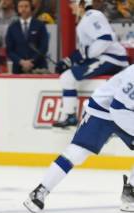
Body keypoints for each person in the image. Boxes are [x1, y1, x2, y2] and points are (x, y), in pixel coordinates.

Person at [24, 64, 134, 213]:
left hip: (125, 110)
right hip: (102, 110)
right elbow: (118, 109)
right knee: (77, 153)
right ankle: (40, 191)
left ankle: (130, 194)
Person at [53, 0, 128, 128]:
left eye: (73, 2)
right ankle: (70, 115)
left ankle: (70, 116)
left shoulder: (92, 15)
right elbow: (88, 49)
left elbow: (105, 39)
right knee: (67, 78)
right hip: (109, 58)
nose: (70, 6)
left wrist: (84, 57)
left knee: (67, 78)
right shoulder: (87, 19)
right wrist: (69, 60)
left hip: (111, 59)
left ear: (82, 4)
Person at [5, 0, 49, 74]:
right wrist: (21, 62)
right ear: (17, 9)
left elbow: (44, 47)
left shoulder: (40, 25)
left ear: (31, 7)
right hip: (18, 69)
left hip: (38, 67)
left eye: (26, 6)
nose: (23, 9)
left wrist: (32, 61)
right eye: (21, 6)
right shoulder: (12, 27)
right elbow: (9, 50)